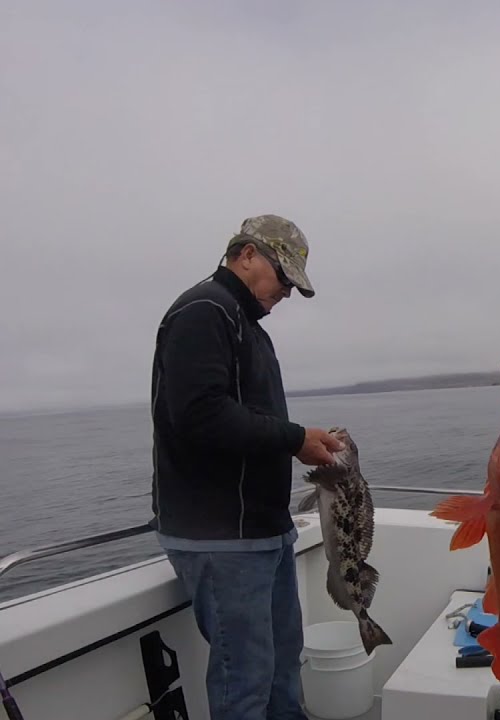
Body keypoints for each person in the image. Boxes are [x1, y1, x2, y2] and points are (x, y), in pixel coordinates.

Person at [149, 214, 345, 720]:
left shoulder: (247, 326)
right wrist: (296, 438)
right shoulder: (203, 312)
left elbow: (244, 420)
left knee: (281, 667)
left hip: (260, 531)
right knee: (246, 679)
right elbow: (200, 414)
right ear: (247, 254)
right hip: (222, 538)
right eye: (283, 277)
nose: (285, 293)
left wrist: (296, 439)